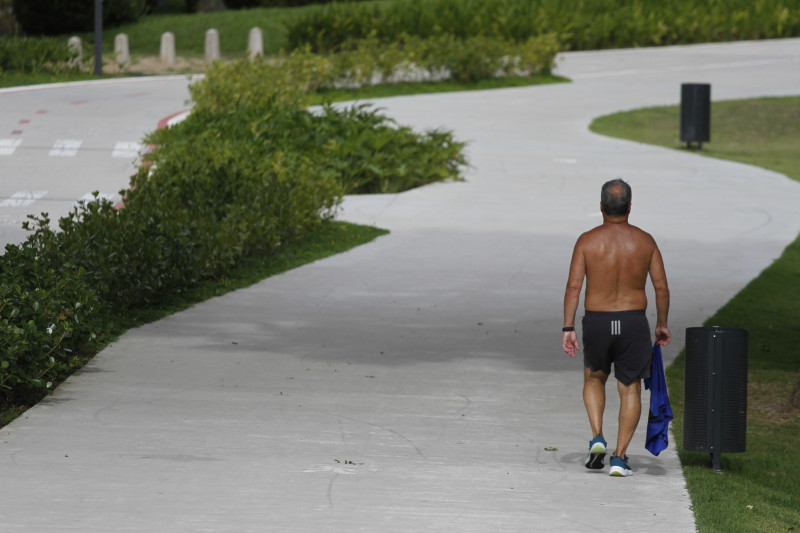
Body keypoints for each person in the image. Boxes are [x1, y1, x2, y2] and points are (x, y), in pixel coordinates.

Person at [562, 178, 671, 477]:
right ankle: (620, 458)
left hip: (597, 320)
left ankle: (597, 436)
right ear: (630, 207)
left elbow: (574, 286)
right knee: (630, 388)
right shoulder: (645, 241)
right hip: (633, 321)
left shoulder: (587, 241)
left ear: (601, 207)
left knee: (594, 378)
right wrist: (661, 324)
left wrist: (567, 327)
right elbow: (661, 288)